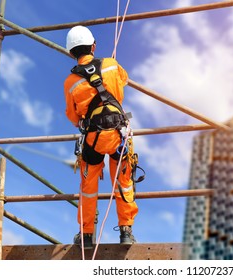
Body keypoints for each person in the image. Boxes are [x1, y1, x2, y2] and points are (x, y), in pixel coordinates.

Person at [63, 25, 138, 249]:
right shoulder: (111, 65)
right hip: (118, 136)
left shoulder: (70, 82)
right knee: (123, 183)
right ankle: (126, 231)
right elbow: (124, 80)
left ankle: (86, 236)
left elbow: (73, 117)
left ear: (71, 53)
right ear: (93, 46)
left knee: (88, 187)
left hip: (93, 139)